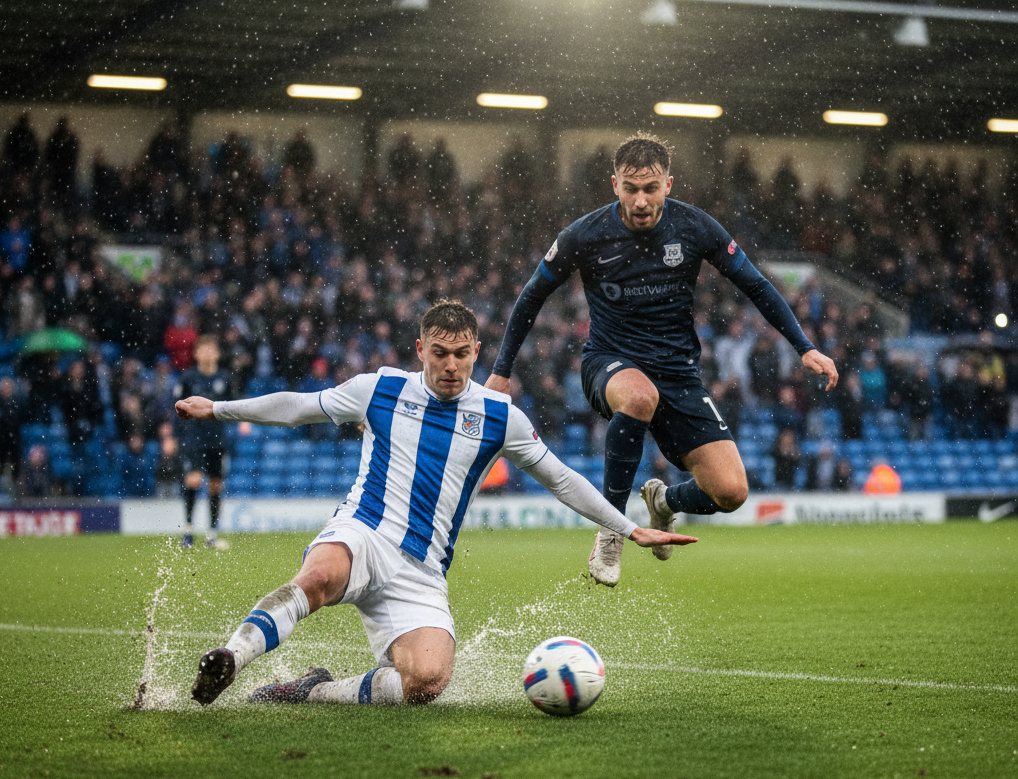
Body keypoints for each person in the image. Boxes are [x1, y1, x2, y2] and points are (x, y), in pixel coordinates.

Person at [176, 300, 695, 707]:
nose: (451, 365)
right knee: (317, 578)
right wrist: (218, 408)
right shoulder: (378, 389)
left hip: (421, 571)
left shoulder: (498, 414)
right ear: (420, 348)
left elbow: (561, 479)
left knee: (427, 682)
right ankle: (232, 656)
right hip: (364, 531)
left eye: (462, 354)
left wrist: (628, 529)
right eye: (440, 353)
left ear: (476, 351)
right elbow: (299, 408)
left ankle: (311, 690)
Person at [485, 132, 838, 586]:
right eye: (630, 189)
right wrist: (500, 371)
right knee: (638, 395)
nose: (639, 200)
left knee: (731, 492)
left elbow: (756, 285)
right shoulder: (586, 234)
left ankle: (666, 502)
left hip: (678, 374)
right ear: (615, 185)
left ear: (667, 186)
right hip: (608, 363)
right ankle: (611, 531)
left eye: (650, 188)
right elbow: (532, 296)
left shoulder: (695, 228)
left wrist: (804, 347)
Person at [173, 335, 233, 549]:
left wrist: (243, 422)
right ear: (196, 353)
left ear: (217, 353)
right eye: (203, 349)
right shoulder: (188, 378)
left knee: (215, 486)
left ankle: (212, 534)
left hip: (218, 440)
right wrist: (172, 435)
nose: (208, 353)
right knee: (194, 480)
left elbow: (234, 405)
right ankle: (188, 532)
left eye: (211, 349)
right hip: (194, 439)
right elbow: (177, 408)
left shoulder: (225, 377)